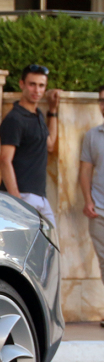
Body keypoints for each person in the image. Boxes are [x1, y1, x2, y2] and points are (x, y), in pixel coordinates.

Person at [0, 64, 59, 227]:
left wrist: (52, 111)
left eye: (41, 86)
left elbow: (50, 145)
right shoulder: (15, 119)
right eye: (32, 84)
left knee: (51, 246)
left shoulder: (37, 115)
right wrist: (16, 200)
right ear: (22, 84)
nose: (37, 90)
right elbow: (5, 160)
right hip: (22, 196)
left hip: (40, 196)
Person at [78, 87, 104, 320]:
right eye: (102, 101)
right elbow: (85, 171)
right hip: (100, 212)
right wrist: (88, 200)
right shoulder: (92, 136)